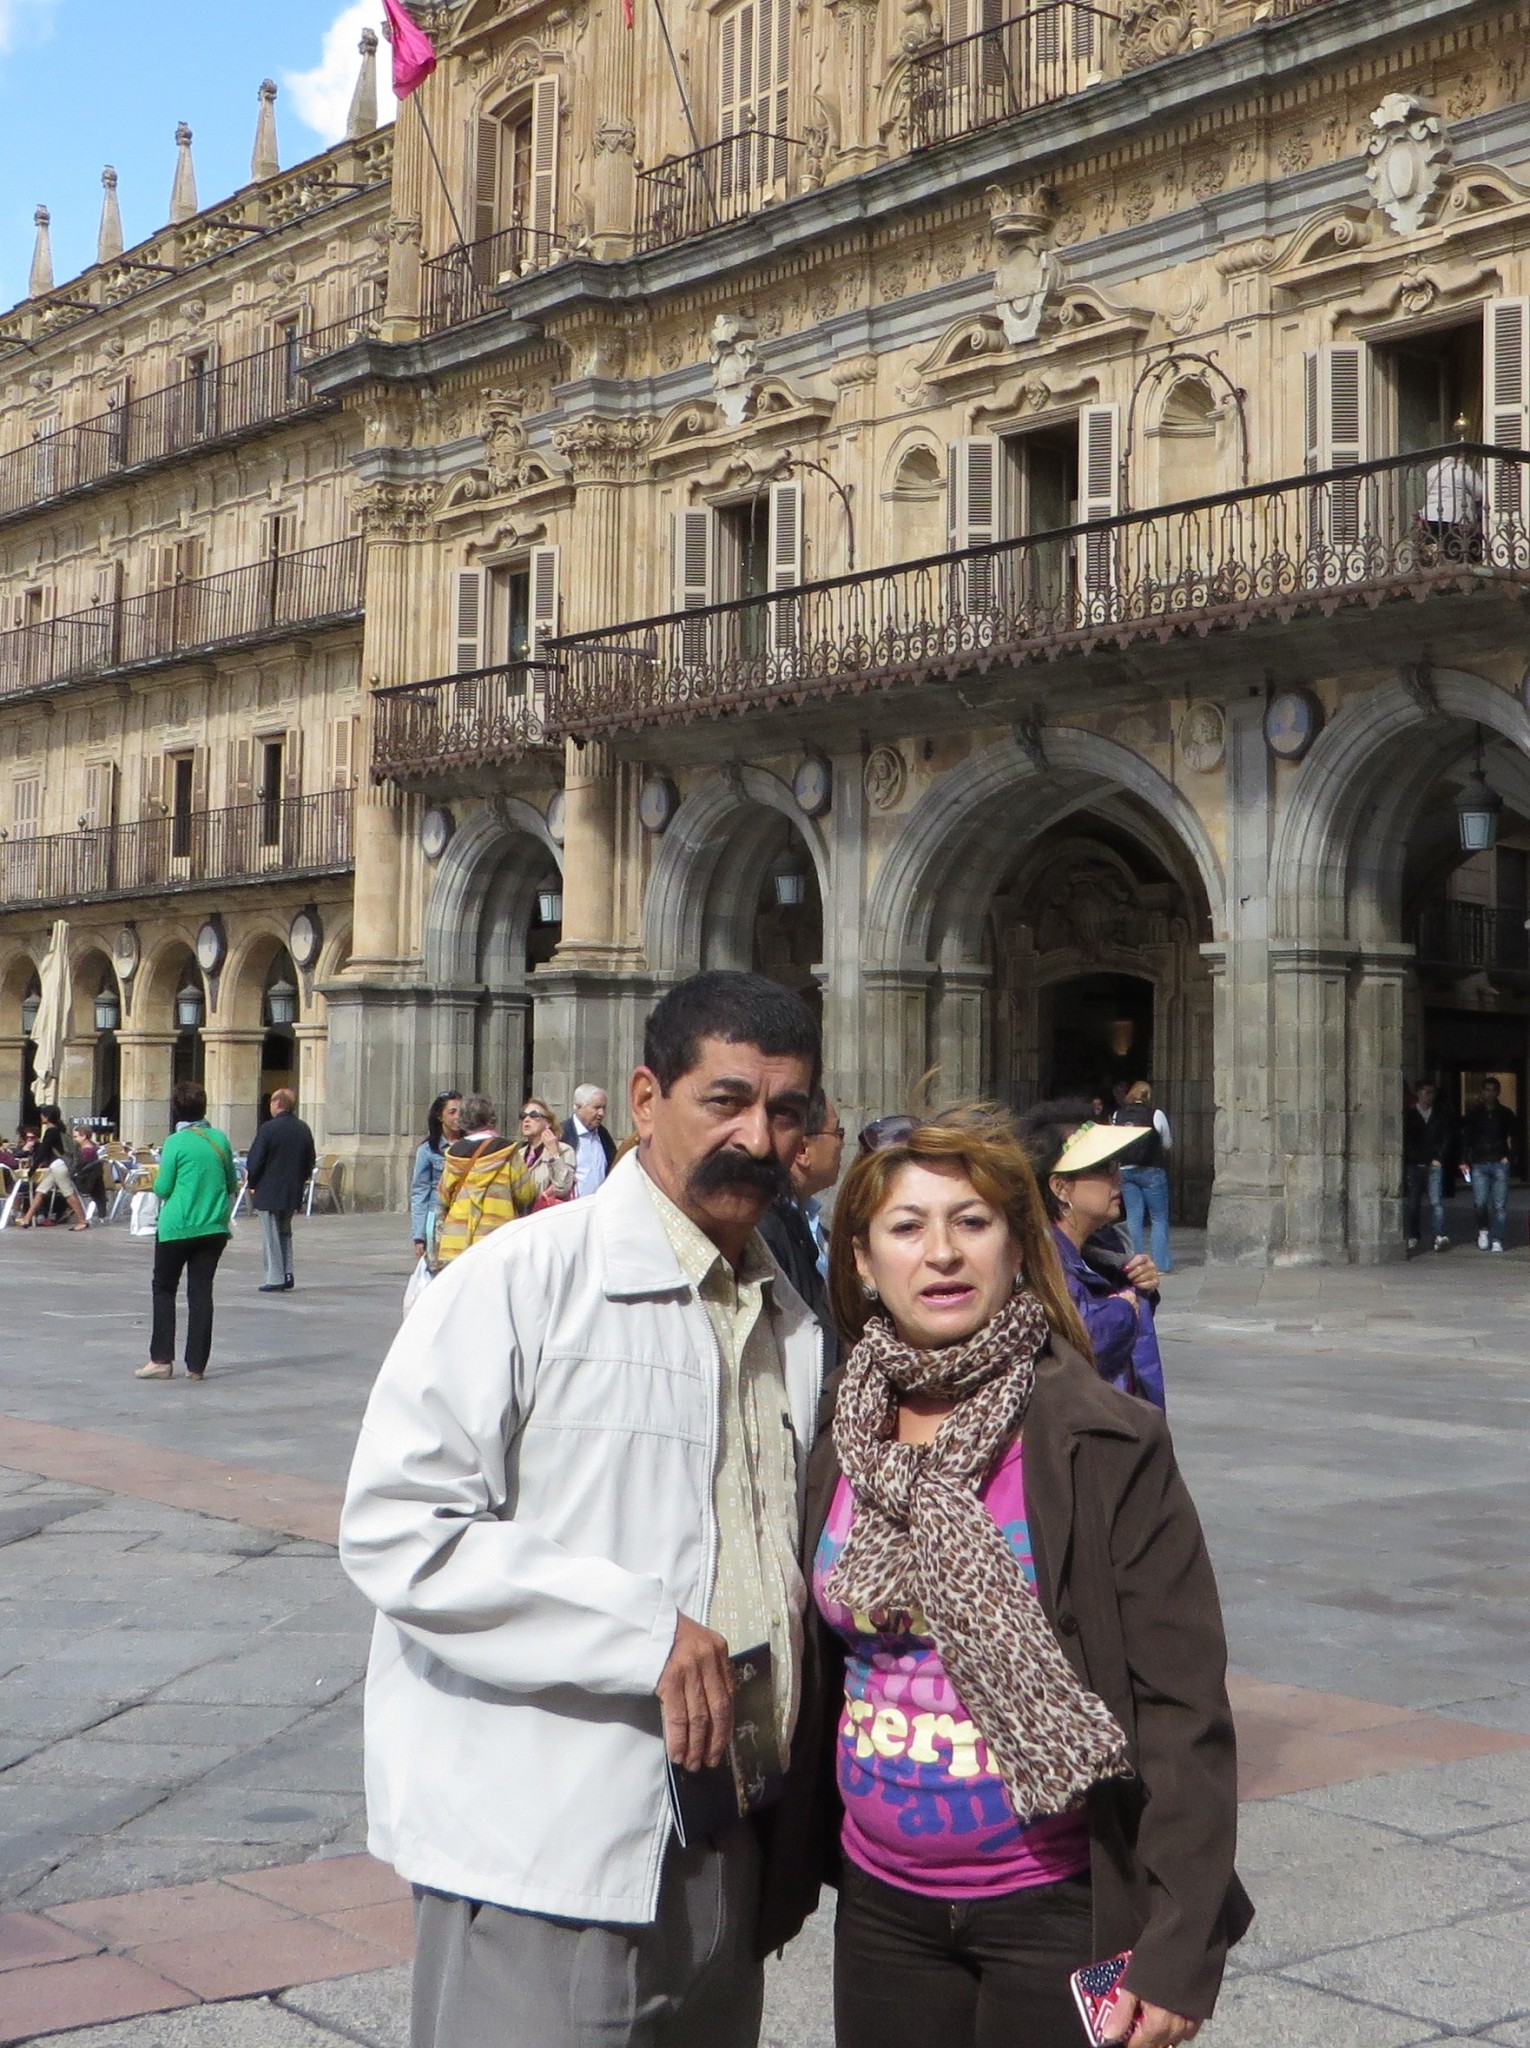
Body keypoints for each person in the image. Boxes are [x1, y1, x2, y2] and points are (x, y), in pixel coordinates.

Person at [340, 969, 825, 2048]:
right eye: (727, 1100)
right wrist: (640, 1631)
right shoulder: (525, 1277)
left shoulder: (789, 1314)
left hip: (724, 1838)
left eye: (785, 1111)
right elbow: (398, 1524)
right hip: (548, 1848)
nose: (757, 1135)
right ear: (646, 1100)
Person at [798, 1105, 1249, 2048]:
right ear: (862, 1261)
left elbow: (1182, 1708)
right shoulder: (840, 1435)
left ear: (1016, 1244)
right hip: (881, 1905)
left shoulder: (1103, 1440)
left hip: (1057, 1902)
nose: (943, 1253)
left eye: (972, 1221)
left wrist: (1178, 1946)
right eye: (907, 1227)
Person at [1022, 1106, 1166, 1410]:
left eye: (1116, 1167)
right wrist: (1122, 1308)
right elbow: (1080, 1347)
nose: (1119, 1180)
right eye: (1103, 1169)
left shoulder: (1101, 1249)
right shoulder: (1041, 1262)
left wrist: (1140, 1287)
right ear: (1061, 1187)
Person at [135, 1081, 237, 1382]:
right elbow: (232, 1183)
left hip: (177, 1227)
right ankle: (197, 1366)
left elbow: (163, 1187)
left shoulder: (175, 1143)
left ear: (176, 1109)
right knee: (201, 1293)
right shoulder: (220, 1139)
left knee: (164, 1289)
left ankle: (161, 1359)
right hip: (213, 1227)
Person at [759, 1089, 844, 1339]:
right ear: (803, 1151)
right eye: (837, 1133)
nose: (841, 1143)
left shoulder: (809, 1224)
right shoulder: (768, 1228)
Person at [431, 1094, 538, 1267]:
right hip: (497, 1238)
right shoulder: (508, 1153)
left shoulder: (454, 1155)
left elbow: (443, 1196)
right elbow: (526, 1194)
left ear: (464, 1119)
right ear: (490, 1118)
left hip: (458, 1241)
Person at [244, 1087, 317, 1292]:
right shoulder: (303, 1128)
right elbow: (309, 1160)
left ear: (277, 1104)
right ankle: (287, 1271)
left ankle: (275, 1277)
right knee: (285, 1232)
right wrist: (300, 1181)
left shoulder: (268, 1129)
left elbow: (255, 1161)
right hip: (292, 1190)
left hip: (269, 1191)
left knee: (271, 1236)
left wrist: (253, 1183)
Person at [1112, 1079, 1173, 1274]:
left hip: (1126, 1170)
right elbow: (1167, 1143)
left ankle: (1135, 1264)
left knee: (1133, 1218)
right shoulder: (1155, 1114)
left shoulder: (1117, 1115)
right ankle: (1160, 1264)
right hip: (1151, 1170)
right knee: (1158, 1218)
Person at [1460, 1075, 1515, 1253]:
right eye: (1487, 1090)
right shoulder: (1474, 1114)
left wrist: (1510, 1156)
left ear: (1498, 1092)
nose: (1490, 1093)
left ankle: (1497, 1238)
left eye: (1493, 1090)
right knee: (1480, 1202)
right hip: (1479, 1161)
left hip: (1499, 1159)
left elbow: (1516, 1136)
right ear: (1482, 1092)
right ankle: (1483, 1230)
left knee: (1499, 1205)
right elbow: (1466, 1137)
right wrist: (1464, 1159)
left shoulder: (1506, 1114)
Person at [17, 1105, 90, 1232]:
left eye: (42, 1114)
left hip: (58, 1166)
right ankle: (27, 1219)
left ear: (47, 1117)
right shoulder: (59, 1130)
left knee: (68, 1193)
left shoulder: (51, 1132)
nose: (40, 1116)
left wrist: (32, 1170)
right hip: (56, 1166)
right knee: (40, 1191)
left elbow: (43, 1152)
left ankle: (82, 1220)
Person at [1419, 423, 1484, 562]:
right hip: (1453, 517)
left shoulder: (1432, 470)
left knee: (1436, 549)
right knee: (1455, 551)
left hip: (1430, 516)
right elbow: (1479, 492)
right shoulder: (1462, 469)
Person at [410, 1092, 463, 1260]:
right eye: (452, 1112)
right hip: (438, 1217)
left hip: (464, 1215)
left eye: (461, 1112)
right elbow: (420, 1192)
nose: (458, 1117)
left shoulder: (472, 1145)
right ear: (440, 1116)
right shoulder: (427, 1150)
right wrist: (419, 1236)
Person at [1403, 1079, 1453, 1254]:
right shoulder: (1409, 1115)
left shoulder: (1440, 1115)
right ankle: (1413, 1236)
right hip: (1414, 1163)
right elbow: (1405, 1139)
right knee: (1413, 1202)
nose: (1429, 1096)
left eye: (1432, 1092)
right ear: (1418, 1093)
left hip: (1433, 1162)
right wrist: (1410, 1157)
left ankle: (1439, 1235)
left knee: (1436, 1202)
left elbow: (1447, 1137)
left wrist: (1439, 1157)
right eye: (1425, 1091)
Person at [516, 1097, 577, 1201]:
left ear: (548, 1123)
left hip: (547, 1213)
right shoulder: (518, 1154)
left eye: (534, 1115)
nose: (526, 1120)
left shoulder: (564, 1150)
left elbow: (563, 1188)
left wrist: (554, 1155)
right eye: (523, 1116)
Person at [562, 1082, 617, 1196]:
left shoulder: (603, 1135)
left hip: (600, 1207)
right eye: (596, 1107)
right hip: (571, 1208)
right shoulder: (562, 1134)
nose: (601, 1113)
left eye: (603, 1108)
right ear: (578, 1107)